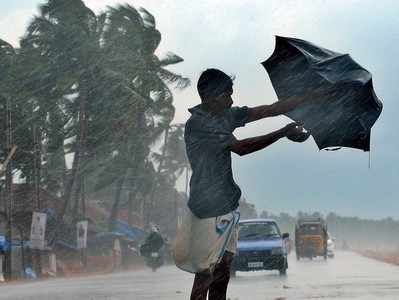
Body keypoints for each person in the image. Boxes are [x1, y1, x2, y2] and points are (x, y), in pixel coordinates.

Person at [184, 68, 310, 300]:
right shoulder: (199, 124)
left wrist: (309, 98)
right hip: (206, 208)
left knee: (222, 275)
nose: (231, 100)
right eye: (226, 95)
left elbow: (268, 110)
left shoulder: (223, 115)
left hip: (226, 206)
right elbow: (241, 148)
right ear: (210, 96)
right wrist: (282, 132)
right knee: (205, 274)